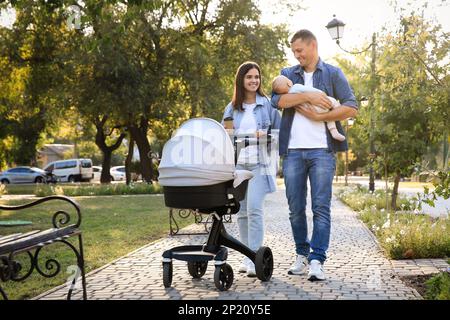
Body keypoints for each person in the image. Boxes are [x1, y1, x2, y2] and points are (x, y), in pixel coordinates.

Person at [271, 30, 358, 281]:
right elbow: (277, 101)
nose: (296, 55)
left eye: (300, 50)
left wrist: (321, 117)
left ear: (313, 45)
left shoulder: (332, 73)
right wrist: (307, 95)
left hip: (323, 151)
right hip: (293, 152)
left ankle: (317, 259)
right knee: (295, 208)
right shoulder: (288, 74)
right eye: (293, 51)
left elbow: (351, 107)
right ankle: (301, 254)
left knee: (321, 208)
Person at [222, 61, 281, 277]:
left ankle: (255, 257)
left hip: (259, 164)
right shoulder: (231, 108)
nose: (254, 80)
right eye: (249, 77)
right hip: (239, 166)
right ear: (241, 80)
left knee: (254, 210)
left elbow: (280, 133)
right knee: (243, 214)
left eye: (257, 77)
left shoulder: (267, 105)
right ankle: (247, 257)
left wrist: (267, 137)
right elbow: (226, 138)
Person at [272, 75, 345, 141]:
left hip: (310, 111)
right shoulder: (296, 86)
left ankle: (333, 131)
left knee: (328, 115)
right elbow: (309, 90)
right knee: (333, 102)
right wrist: (321, 93)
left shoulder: (288, 97)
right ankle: (339, 109)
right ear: (289, 83)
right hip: (318, 104)